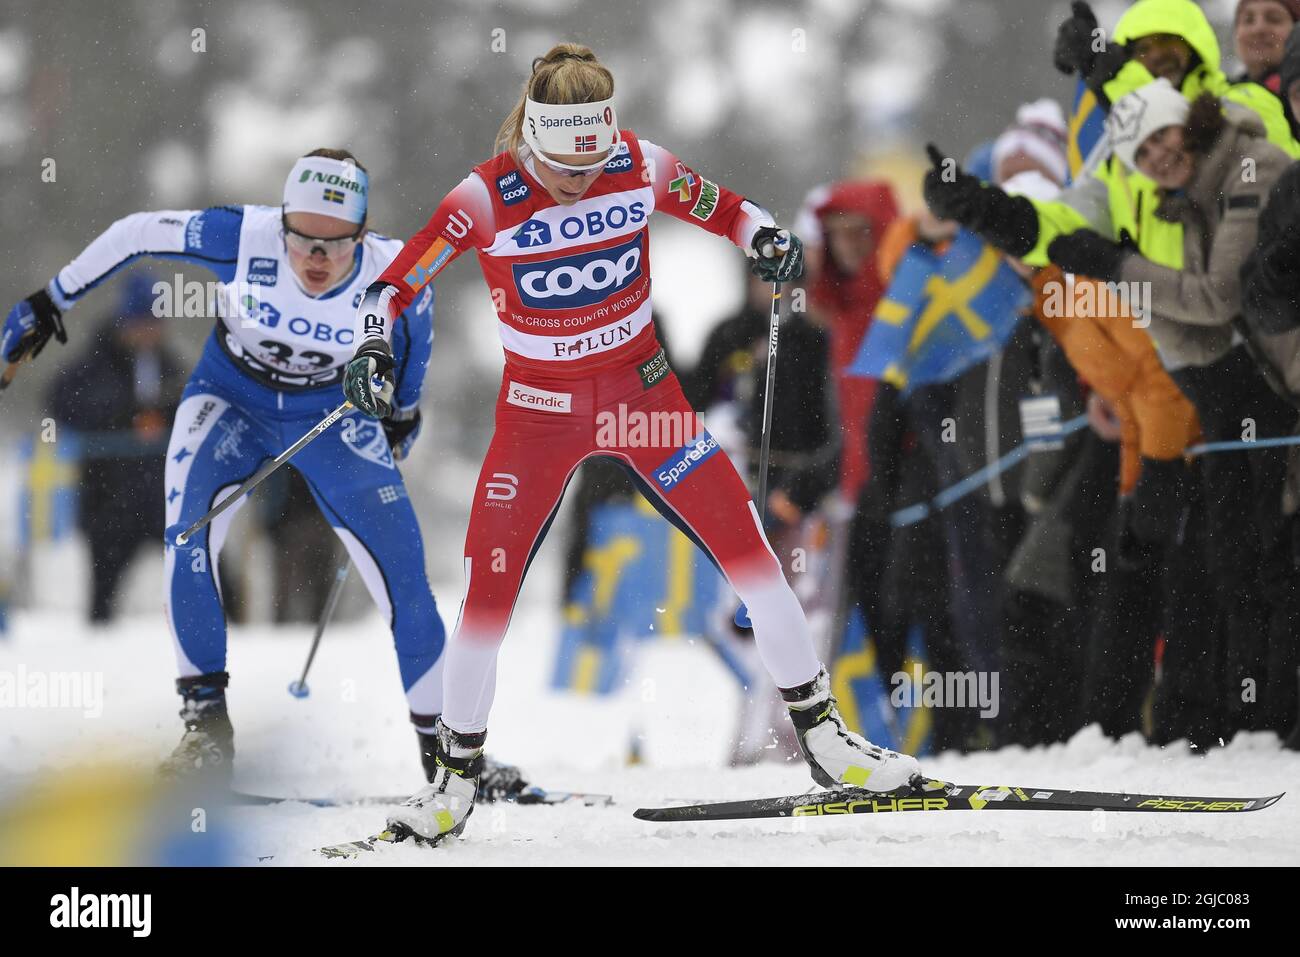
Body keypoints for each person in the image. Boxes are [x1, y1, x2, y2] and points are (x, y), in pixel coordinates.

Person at [343, 43, 922, 844]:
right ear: (531, 140)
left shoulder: (638, 163)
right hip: (537, 418)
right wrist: (373, 344)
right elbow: (394, 283)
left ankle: (826, 740)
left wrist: (766, 238)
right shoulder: (483, 195)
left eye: (592, 163)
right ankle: (453, 780)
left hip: (641, 401)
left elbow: (727, 208)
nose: (580, 180)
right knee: (487, 598)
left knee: (751, 551)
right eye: (561, 167)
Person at [1, 149, 523, 796]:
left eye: (335, 244)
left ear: (363, 233)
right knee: (187, 539)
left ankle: (446, 756)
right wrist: (52, 299)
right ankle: (204, 734)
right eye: (301, 238)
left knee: (406, 579)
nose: (315, 258)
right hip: (231, 401)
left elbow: (414, 337)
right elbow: (138, 233)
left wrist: (404, 410)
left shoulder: (395, 270)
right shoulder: (242, 237)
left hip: (332, 416)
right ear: (281, 223)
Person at [48, 273, 186, 623]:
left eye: (155, 323)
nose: (148, 332)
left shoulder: (172, 365)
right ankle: (98, 658)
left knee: (198, 566)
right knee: (103, 594)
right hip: (108, 498)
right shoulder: (95, 363)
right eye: (140, 322)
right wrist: (128, 418)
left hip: (161, 498)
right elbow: (63, 402)